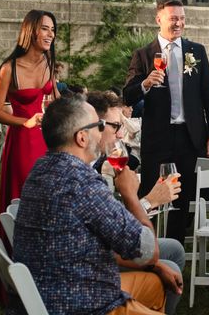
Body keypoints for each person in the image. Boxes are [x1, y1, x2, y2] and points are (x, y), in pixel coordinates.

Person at [14, 95, 165, 314]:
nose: (102, 131)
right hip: (85, 302)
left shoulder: (40, 169)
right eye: (100, 125)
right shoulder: (80, 181)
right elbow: (147, 251)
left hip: (50, 291)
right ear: (82, 138)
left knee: (155, 284)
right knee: (161, 270)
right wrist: (130, 195)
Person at [123, 0, 209, 244]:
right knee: (151, 194)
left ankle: (174, 254)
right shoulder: (144, 54)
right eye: (173, 18)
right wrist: (145, 83)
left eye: (182, 18)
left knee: (182, 198)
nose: (178, 22)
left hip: (190, 137)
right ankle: (147, 248)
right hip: (158, 137)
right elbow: (128, 94)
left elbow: (208, 93)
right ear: (159, 20)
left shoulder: (196, 52)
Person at [87, 91, 184, 315]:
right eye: (116, 126)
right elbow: (140, 247)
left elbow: (108, 222)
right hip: (92, 275)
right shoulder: (84, 177)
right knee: (168, 265)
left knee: (175, 249)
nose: (122, 135)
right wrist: (147, 201)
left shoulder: (94, 165)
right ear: (93, 128)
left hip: (97, 253)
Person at [0, 9, 59, 304]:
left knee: (48, 208)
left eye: (53, 31)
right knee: (22, 208)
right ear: (30, 31)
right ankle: (13, 287)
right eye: (45, 29)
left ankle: (43, 279)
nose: (50, 35)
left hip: (48, 142)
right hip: (22, 142)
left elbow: (53, 99)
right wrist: (24, 121)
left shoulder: (49, 63)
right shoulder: (9, 68)